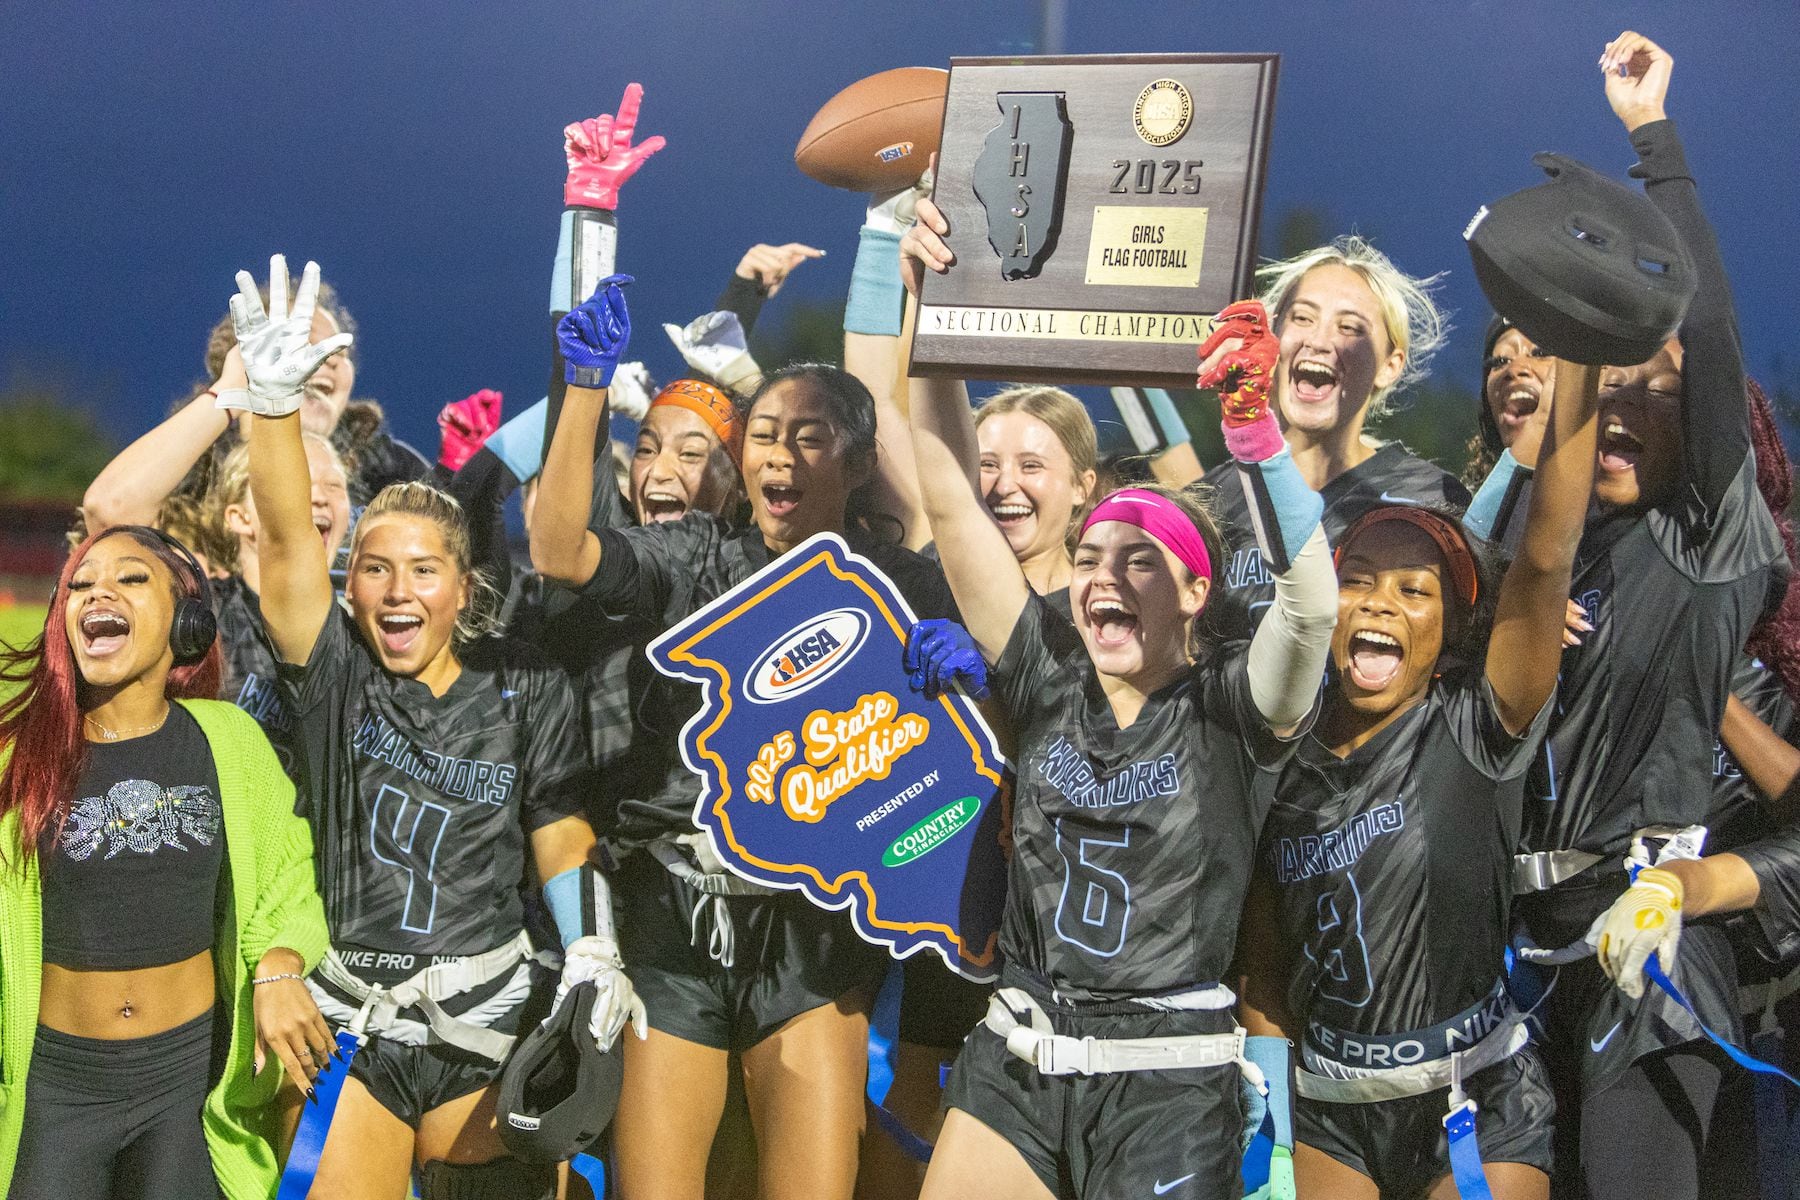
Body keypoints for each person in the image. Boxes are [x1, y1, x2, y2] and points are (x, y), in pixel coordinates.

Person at [900, 194, 1339, 1200]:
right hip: (1019, 1054)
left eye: (1139, 561)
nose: (1103, 575)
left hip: (1169, 1082)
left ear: (1194, 593)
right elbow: (944, 488)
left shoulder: (1234, 710)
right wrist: (938, 313)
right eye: (1093, 555)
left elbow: (1311, 609)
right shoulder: (1043, 675)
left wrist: (1251, 431)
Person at [533, 277, 957, 1200]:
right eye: (764, 434)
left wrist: (964, 680)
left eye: (810, 438)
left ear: (857, 464)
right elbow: (561, 552)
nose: (781, 454)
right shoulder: (696, 557)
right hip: (671, 918)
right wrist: (584, 387)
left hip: (814, 936)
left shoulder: (897, 585)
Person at [1475, 35, 1789, 1200]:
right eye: (1596, 380)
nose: (1616, 398)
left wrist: (1653, 143)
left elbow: (1700, 332)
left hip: (1649, 947)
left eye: (1645, 384)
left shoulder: (1705, 535)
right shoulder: (1535, 548)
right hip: (1520, 950)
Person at [233, 256, 615, 1200]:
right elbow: (285, 542)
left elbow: (558, 832)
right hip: (346, 1024)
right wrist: (273, 407)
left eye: (422, 570)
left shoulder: (523, 682)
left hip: (490, 1012)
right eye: (373, 568)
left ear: (463, 587)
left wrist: (592, 946)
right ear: (347, 584)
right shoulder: (334, 672)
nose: (397, 589)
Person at [1241, 350, 1601, 1200]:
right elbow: (1260, 967)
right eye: (1358, 582)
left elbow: (1546, 558)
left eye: (1415, 591)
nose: (1379, 604)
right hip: (1329, 1104)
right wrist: (1271, 1142)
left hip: (1478, 1097)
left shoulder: (1479, 727)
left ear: (1450, 632)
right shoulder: (1273, 755)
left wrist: (1583, 349)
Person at [0, 524, 331, 1199]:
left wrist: (278, 965)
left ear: (184, 620)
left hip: (185, 1081)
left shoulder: (229, 740)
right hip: (59, 1084)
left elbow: (288, 875)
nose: (99, 592)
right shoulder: (23, 759)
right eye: (83, 584)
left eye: (130, 578)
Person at [1208, 235, 1470, 641]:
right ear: (1272, 337)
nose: (1319, 341)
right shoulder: (1212, 499)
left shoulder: (1430, 497)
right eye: (1302, 318)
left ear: (1390, 365)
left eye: (1349, 327)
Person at [202, 434, 351, 769]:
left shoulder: (358, 637)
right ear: (240, 518)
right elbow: (109, 508)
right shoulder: (201, 611)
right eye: (300, 481)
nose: (321, 498)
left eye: (335, 485)